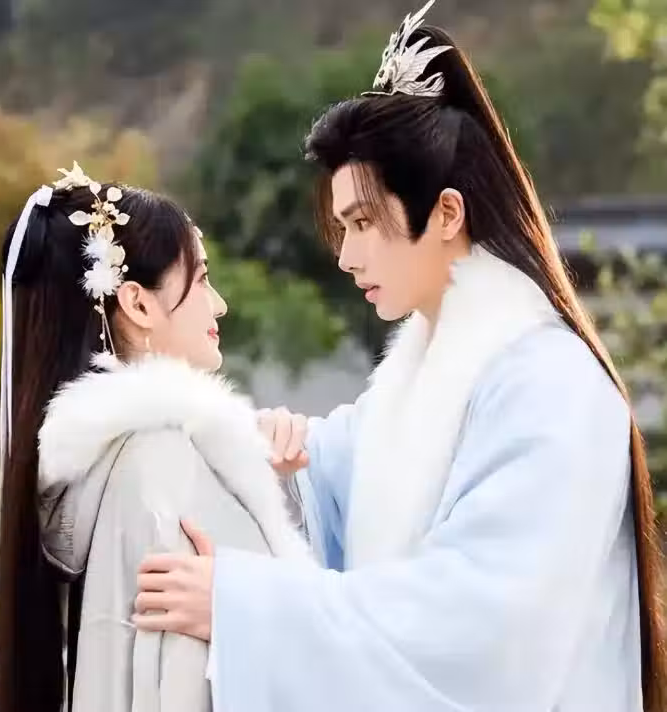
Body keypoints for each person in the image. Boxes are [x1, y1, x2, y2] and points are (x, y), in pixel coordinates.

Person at [133, 3, 667, 711]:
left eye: (363, 223)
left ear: (447, 213)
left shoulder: (552, 387)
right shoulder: (416, 384)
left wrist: (247, 608)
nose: (347, 256)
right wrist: (276, 457)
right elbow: (328, 480)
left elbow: (482, 631)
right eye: (342, 227)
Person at [0, 163, 310, 712]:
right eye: (202, 279)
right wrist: (251, 605)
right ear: (138, 304)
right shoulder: (165, 461)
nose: (219, 304)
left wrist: (273, 480)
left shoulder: (105, 466)